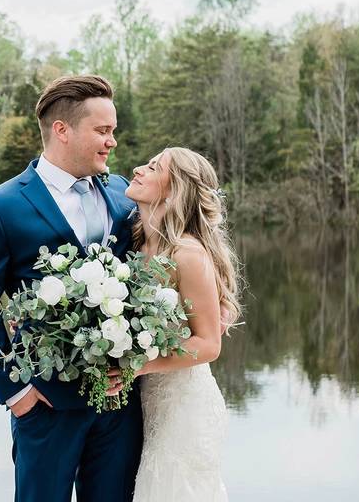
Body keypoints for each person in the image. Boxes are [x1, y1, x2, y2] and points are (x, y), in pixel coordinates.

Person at [0, 75, 142, 502]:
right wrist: (15, 393)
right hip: (45, 405)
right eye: (103, 131)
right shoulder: (0, 206)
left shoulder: (122, 193)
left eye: (113, 131)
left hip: (119, 406)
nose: (112, 141)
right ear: (62, 130)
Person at [125, 147, 242, 502]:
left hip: (182, 407)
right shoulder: (137, 241)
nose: (138, 169)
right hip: (145, 404)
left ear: (174, 190)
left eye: (153, 167)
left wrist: (137, 365)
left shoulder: (187, 254)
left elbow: (209, 344)